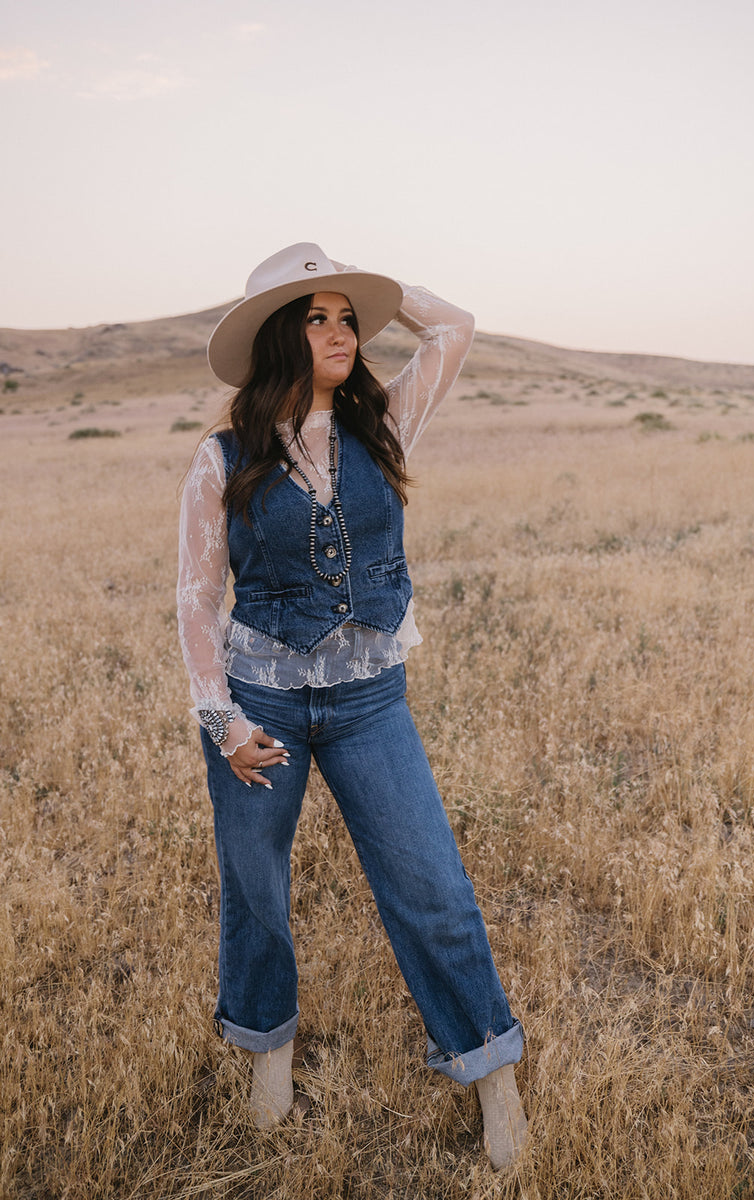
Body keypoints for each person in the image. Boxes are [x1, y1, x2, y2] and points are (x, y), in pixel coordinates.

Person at [177, 243, 527, 1168]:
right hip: (263, 703)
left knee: (432, 886)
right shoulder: (221, 459)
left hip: (371, 699)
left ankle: (492, 1072)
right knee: (255, 891)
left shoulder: (385, 427)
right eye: (318, 317)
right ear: (277, 342)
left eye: (348, 317)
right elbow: (194, 600)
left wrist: (377, 284)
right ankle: (268, 1052)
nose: (342, 332)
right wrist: (223, 722)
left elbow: (455, 327)